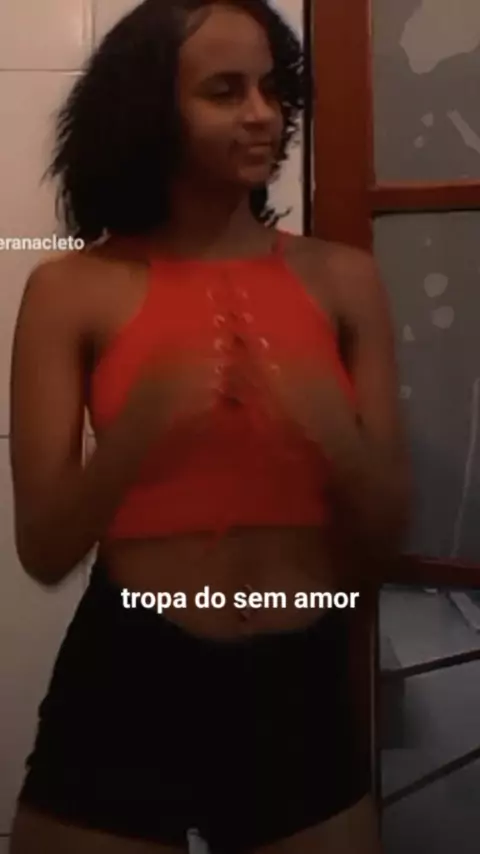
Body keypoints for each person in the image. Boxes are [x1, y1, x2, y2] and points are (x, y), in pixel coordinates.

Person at [8, 1, 411, 852]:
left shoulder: (344, 280)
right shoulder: (70, 291)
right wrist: (136, 432)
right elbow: (43, 549)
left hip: (300, 677)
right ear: (151, 111)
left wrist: (334, 432)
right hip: (131, 666)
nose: (263, 113)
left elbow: (387, 539)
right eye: (226, 92)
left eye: (272, 88)